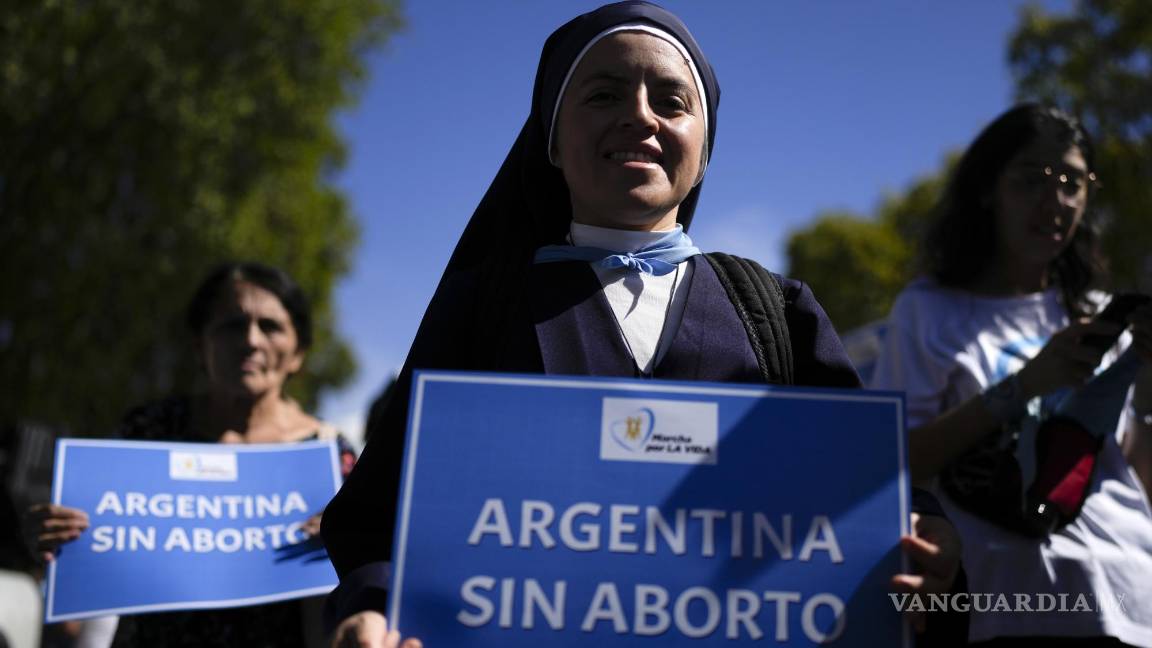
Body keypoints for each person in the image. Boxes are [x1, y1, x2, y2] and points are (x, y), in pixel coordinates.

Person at [323, 2, 963, 645]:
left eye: (672, 101)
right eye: (603, 94)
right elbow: (378, 518)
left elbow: (865, 492)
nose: (639, 116)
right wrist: (371, 607)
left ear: (705, 149)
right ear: (549, 137)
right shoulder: (483, 306)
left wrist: (924, 536)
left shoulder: (776, 311)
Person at [870, 104, 1152, 646]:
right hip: (999, 612)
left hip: (1128, 603)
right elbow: (894, 463)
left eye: (1071, 182)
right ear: (987, 190)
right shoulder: (929, 310)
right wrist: (1023, 386)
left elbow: (1130, 468)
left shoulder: (1102, 311)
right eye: (1031, 180)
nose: (1054, 201)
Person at [25, 261, 357, 648]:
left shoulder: (331, 455)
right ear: (201, 344)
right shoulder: (147, 431)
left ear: (298, 351)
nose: (251, 340)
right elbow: (90, 565)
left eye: (271, 326)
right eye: (232, 324)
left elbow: (362, 580)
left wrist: (342, 544)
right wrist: (54, 540)